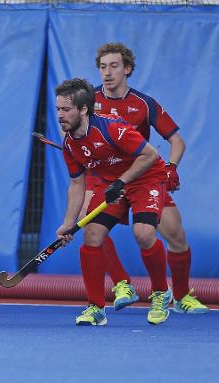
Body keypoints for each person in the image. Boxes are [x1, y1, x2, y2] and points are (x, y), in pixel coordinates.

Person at [86, 42, 208, 314]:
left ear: (127, 69)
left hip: (143, 177)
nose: (107, 72)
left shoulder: (144, 104)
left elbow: (177, 141)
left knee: (175, 235)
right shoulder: (88, 101)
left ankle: (181, 296)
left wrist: (172, 167)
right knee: (91, 227)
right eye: (103, 67)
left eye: (114, 66)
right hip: (107, 179)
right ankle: (121, 284)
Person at [55, 78, 172, 326]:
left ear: (83, 110)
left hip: (146, 177)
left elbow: (151, 155)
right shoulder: (69, 143)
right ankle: (95, 308)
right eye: (58, 109)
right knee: (92, 235)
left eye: (66, 109)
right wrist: (67, 223)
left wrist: (121, 181)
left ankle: (161, 292)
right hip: (113, 186)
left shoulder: (111, 128)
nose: (60, 115)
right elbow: (77, 184)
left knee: (143, 233)